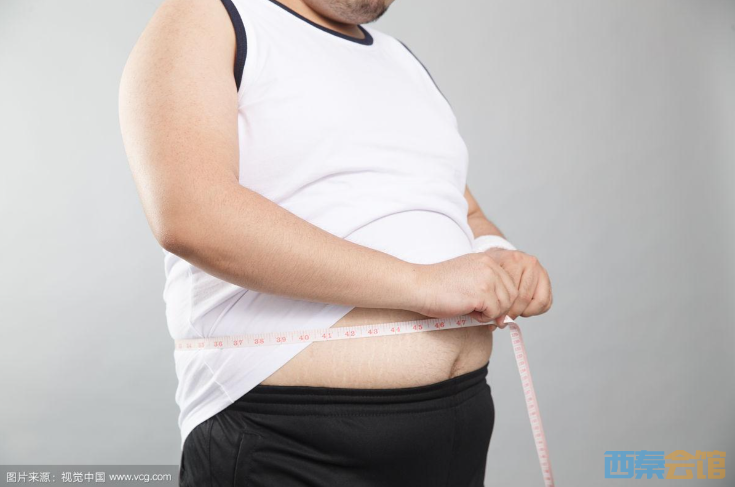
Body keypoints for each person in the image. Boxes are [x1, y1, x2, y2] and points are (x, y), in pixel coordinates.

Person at [118, 0, 552, 485]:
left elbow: (456, 205)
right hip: (290, 444)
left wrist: (496, 251)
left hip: (458, 426)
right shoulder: (211, 18)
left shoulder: (400, 60)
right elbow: (192, 215)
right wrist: (421, 284)